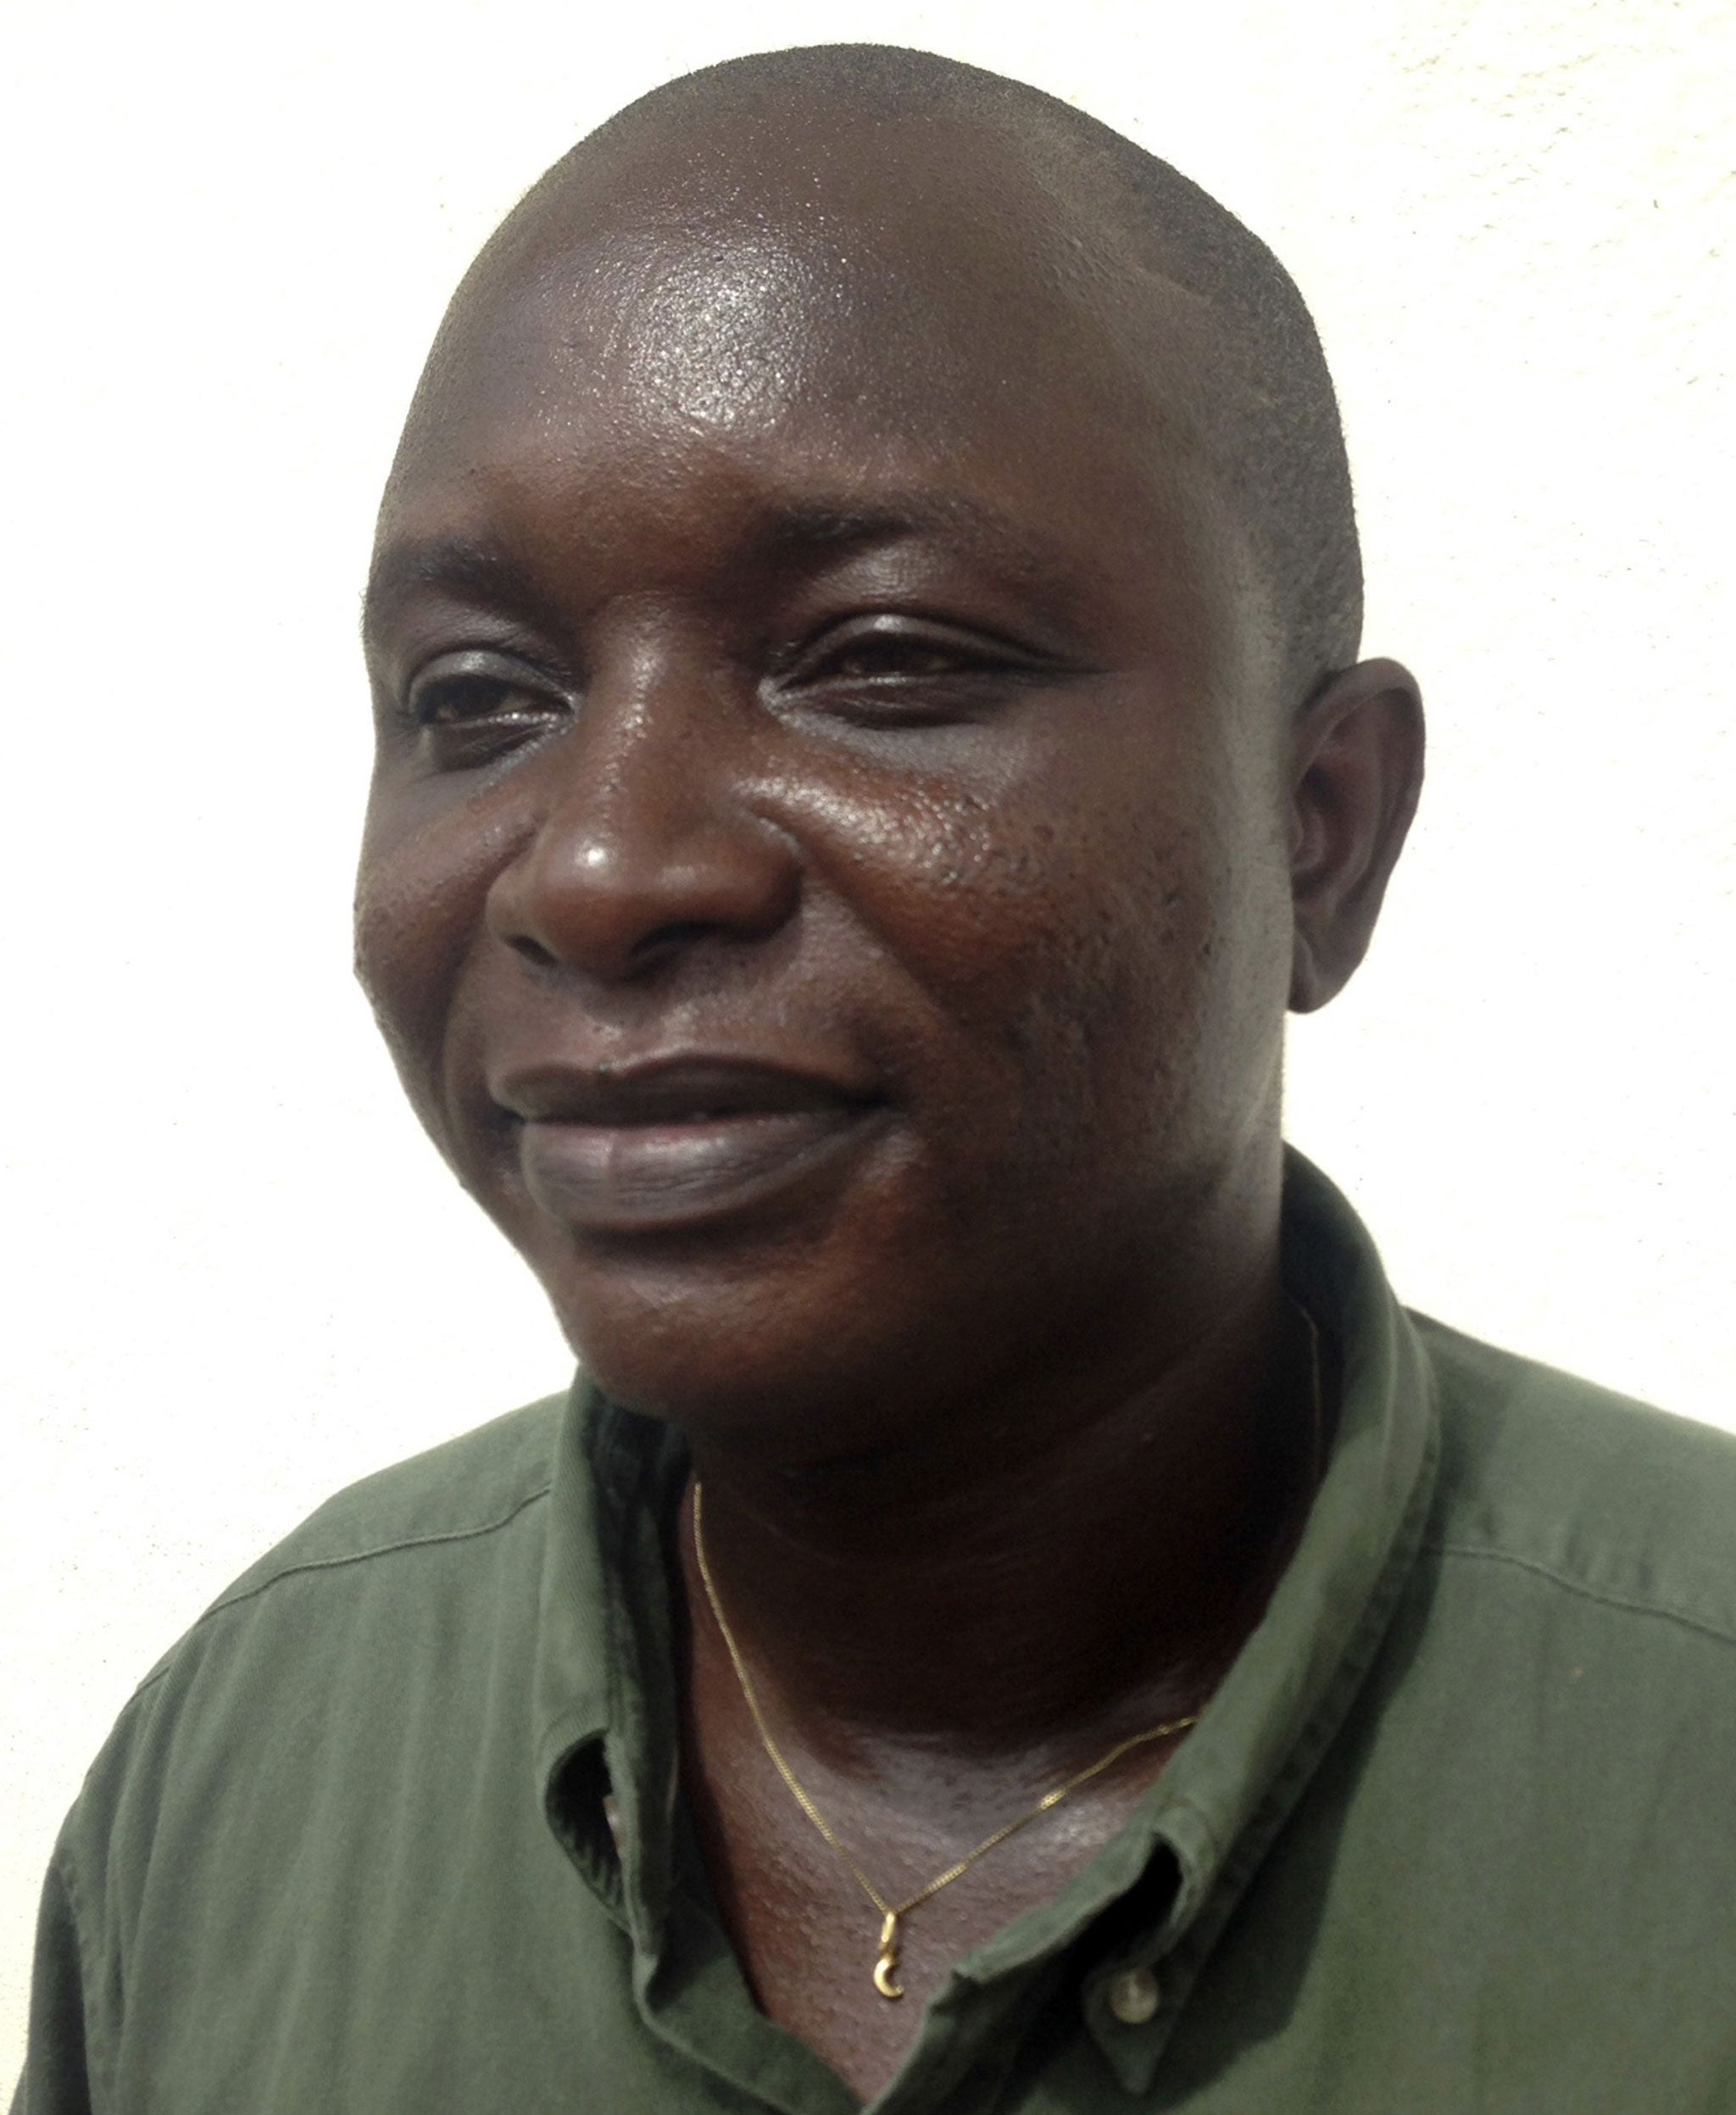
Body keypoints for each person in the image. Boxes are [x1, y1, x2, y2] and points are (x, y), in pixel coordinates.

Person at [14, 42, 1736, 2115]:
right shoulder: (247, 1771)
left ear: (1321, 830)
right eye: (478, 698)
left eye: (883, 656)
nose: (602, 865)